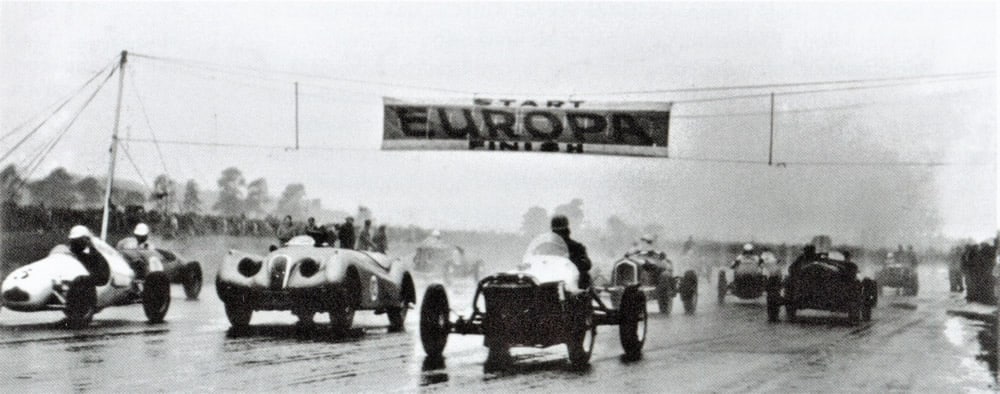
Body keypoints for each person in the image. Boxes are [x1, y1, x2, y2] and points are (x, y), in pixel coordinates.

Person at [550, 215, 591, 289]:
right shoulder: (546, 247)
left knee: (583, 281)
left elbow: (586, 264)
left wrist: (573, 262)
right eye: (556, 232)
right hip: (551, 280)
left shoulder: (576, 247)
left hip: (571, 280)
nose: (559, 235)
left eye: (561, 232)